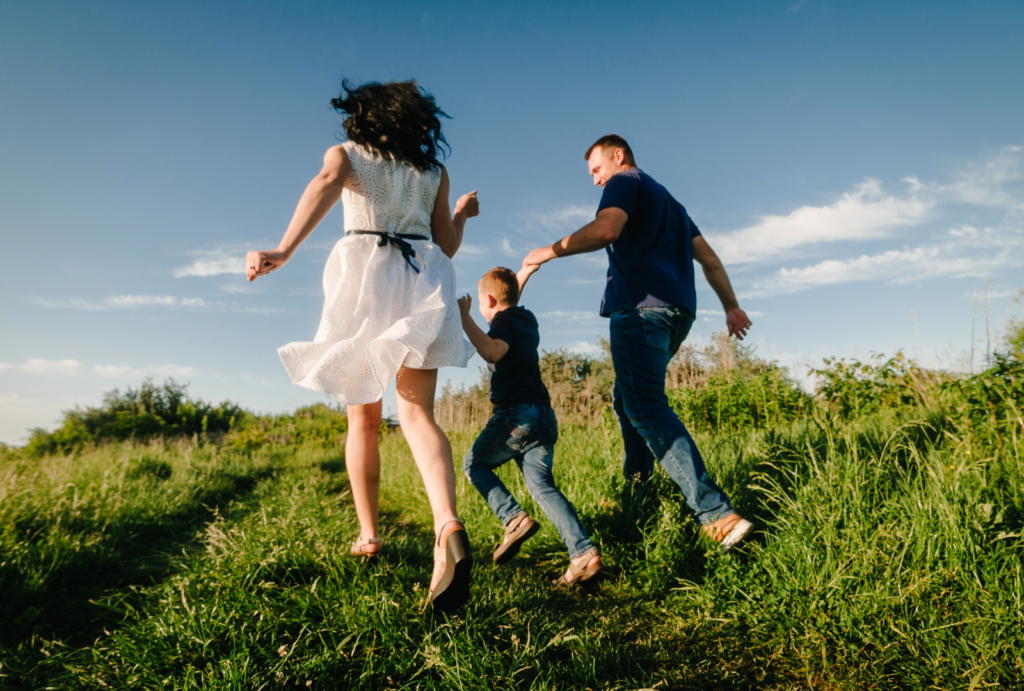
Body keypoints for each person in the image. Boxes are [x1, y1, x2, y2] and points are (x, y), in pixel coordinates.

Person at [245, 80, 479, 612]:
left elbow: (325, 184)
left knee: (364, 421)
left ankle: (369, 534)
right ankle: (448, 526)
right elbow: (445, 242)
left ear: (367, 115)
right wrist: (461, 213)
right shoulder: (434, 172)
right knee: (419, 415)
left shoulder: (348, 154)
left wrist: (283, 249)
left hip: (367, 279)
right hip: (421, 278)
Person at [522, 134, 754, 552]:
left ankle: (716, 514)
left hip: (641, 309)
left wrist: (549, 251)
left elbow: (606, 229)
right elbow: (711, 260)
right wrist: (732, 307)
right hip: (677, 312)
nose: (595, 180)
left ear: (618, 155)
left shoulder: (625, 182)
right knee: (626, 400)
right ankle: (639, 494)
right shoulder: (672, 205)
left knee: (645, 406)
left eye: (596, 169)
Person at [457, 266, 601, 586]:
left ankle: (514, 518)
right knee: (541, 486)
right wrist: (524, 272)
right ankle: (582, 553)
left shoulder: (502, 324)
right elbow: (510, 296)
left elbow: (493, 349)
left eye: (482, 304)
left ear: (489, 300)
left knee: (475, 464)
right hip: (543, 418)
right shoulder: (526, 318)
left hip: (516, 415)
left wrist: (464, 315)